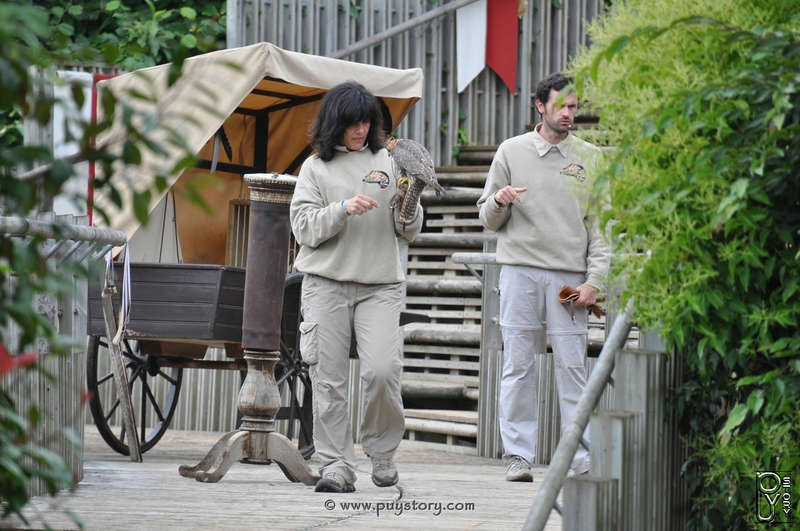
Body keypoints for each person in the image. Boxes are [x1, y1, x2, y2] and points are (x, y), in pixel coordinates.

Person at [289, 81, 423, 493]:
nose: (361, 130)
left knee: (383, 372)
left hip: (381, 284)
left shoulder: (391, 160)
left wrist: (409, 204)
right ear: (335, 123)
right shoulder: (314, 168)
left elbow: (409, 229)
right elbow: (303, 227)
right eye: (353, 123)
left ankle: (382, 455)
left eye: (367, 122)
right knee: (328, 380)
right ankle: (336, 467)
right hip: (325, 284)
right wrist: (343, 209)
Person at [477, 72, 610, 482]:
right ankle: (518, 457)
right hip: (518, 272)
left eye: (574, 107)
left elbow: (603, 228)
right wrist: (500, 200)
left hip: (569, 281)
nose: (570, 113)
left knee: (573, 367)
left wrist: (595, 282)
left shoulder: (591, 157)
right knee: (517, 364)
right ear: (540, 106)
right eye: (562, 106)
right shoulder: (511, 151)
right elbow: (487, 218)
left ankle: (578, 459)